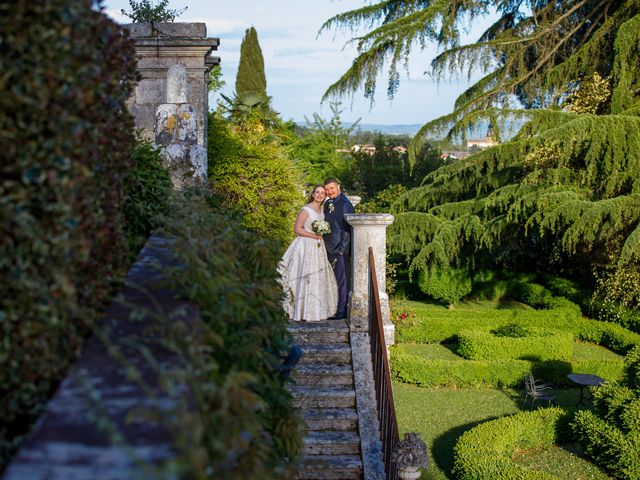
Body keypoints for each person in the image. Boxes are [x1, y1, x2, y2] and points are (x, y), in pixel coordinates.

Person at [278, 185, 338, 322]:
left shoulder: (323, 210)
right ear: (313, 194)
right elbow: (297, 229)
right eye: (317, 192)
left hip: (318, 246)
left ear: (325, 196)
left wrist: (321, 233)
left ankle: (315, 312)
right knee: (304, 275)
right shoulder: (306, 210)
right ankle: (300, 311)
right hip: (305, 245)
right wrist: (314, 236)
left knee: (317, 276)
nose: (319, 195)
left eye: (322, 193)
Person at [323, 178, 355, 320]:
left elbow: (347, 229)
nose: (329, 192)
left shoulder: (345, 204)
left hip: (339, 250)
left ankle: (341, 311)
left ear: (338, 187)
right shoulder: (328, 203)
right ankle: (333, 308)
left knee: (341, 281)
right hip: (328, 248)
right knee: (332, 281)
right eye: (327, 190)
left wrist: (341, 250)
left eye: (331, 188)